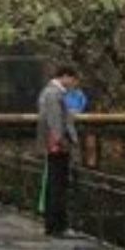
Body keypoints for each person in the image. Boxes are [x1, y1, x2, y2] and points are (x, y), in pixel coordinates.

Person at [36, 65, 80, 236]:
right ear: (66, 77)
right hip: (57, 146)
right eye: (73, 80)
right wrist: (61, 141)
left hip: (53, 144)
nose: (73, 84)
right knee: (58, 185)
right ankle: (57, 225)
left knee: (54, 185)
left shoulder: (48, 93)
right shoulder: (54, 94)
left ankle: (52, 223)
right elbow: (55, 121)